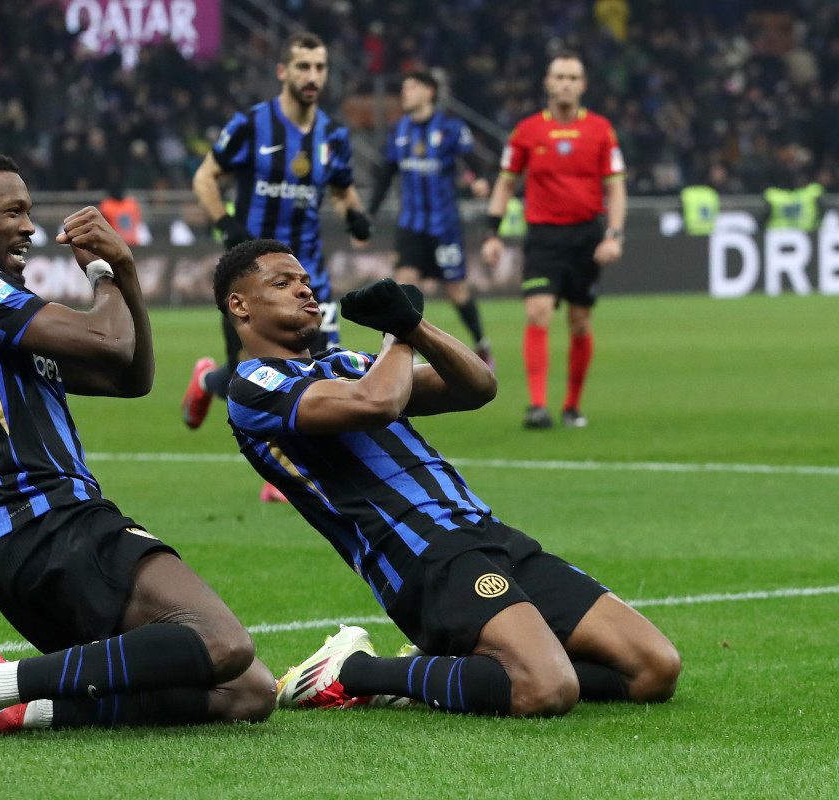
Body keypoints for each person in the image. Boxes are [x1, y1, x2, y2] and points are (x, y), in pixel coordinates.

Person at [0, 149, 274, 744]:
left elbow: (130, 378)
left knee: (247, 692)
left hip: (29, 547)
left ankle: (16, 708)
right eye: (12, 211)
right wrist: (103, 272)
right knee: (221, 641)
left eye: (29, 212)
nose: (29, 227)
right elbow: (110, 342)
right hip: (50, 524)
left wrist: (127, 273)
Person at [215, 238, 679, 717]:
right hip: (422, 556)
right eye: (283, 282)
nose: (305, 291)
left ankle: (461, 667)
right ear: (239, 304)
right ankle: (353, 672)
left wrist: (416, 325)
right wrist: (398, 335)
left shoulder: (345, 364)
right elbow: (377, 403)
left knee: (653, 669)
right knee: (545, 689)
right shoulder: (252, 387)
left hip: (486, 533)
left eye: (307, 282)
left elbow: (477, 386)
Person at [183, 32, 373, 505]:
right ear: (283, 71)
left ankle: (293, 471)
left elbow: (343, 188)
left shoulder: (332, 135)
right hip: (252, 278)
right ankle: (208, 381)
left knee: (321, 368)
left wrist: (355, 214)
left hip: (309, 275)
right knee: (248, 378)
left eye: (321, 68)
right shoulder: (251, 125)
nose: (313, 77)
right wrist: (224, 220)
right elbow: (205, 176)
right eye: (304, 67)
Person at [482, 51, 627, 430]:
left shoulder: (601, 130)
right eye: (559, 76)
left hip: (587, 236)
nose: (565, 83)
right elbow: (505, 183)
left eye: (572, 77)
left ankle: (572, 406)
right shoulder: (527, 131)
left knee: (579, 321)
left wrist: (613, 234)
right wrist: (492, 233)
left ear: (583, 85)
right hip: (544, 237)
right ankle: (537, 406)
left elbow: (617, 188)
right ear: (547, 83)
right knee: (538, 312)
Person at [366, 70, 494, 368]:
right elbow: (385, 176)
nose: (405, 93)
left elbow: (479, 163)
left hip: (444, 227)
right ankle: (399, 351)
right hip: (411, 224)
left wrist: (479, 180)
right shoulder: (399, 130)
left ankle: (481, 343)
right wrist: (369, 214)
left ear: (429, 92)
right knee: (404, 284)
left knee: (457, 291)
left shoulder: (450, 128)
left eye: (411, 87)